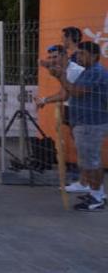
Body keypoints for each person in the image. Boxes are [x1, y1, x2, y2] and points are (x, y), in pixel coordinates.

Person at [46, 41, 108, 212]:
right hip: (86, 122)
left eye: (82, 53)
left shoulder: (95, 72)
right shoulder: (89, 71)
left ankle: (97, 198)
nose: (78, 56)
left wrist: (60, 76)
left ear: (94, 56)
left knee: (91, 162)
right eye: (78, 53)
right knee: (89, 160)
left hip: (91, 123)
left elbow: (75, 91)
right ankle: (96, 193)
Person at [36, 44, 85, 189]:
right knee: (79, 145)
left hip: (82, 111)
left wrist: (44, 100)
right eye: (50, 57)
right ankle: (85, 181)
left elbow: (64, 94)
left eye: (55, 57)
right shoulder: (64, 68)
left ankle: (87, 183)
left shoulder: (73, 71)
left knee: (83, 147)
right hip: (73, 108)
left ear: (65, 55)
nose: (52, 60)